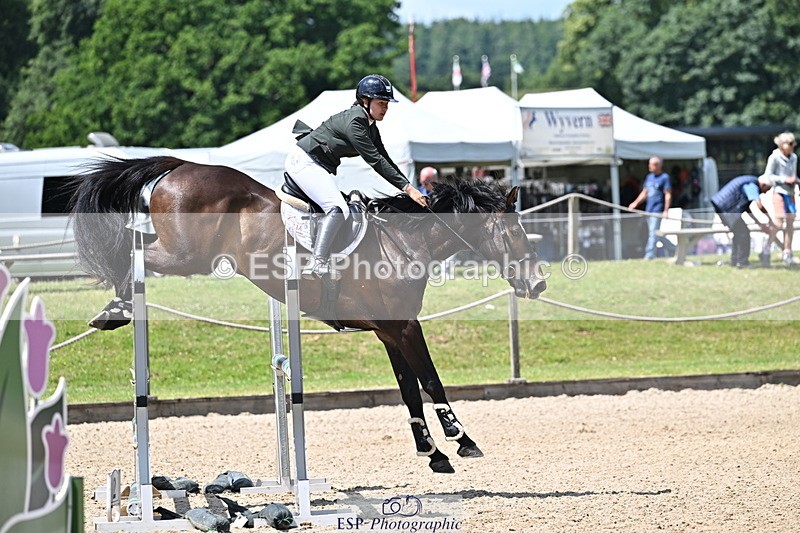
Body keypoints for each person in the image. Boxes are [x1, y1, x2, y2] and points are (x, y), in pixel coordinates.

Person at [285, 74, 427, 279]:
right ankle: (317, 262)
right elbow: (375, 161)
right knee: (338, 208)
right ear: (365, 101)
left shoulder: (369, 125)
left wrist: (408, 186)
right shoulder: (356, 122)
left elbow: (384, 158)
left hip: (314, 164)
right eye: (381, 103)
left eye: (386, 103)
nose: (385, 108)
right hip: (304, 162)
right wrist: (408, 189)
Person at [710, 175, 776, 268]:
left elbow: (747, 209)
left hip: (722, 206)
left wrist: (759, 224)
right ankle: (742, 263)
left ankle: (735, 261)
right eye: (767, 189)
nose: (765, 193)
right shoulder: (752, 185)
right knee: (743, 233)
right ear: (763, 184)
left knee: (738, 233)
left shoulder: (749, 183)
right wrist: (769, 218)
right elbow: (759, 205)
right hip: (726, 207)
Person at [762, 131, 797, 266]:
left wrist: (795, 180)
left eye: (793, 143)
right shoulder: (774, 157)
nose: (792, 146)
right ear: (782, 145)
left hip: (791, 193)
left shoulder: (794, 157)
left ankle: (787, 252)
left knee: (790, 222)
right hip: (779, 192)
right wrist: (784, 179)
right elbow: (768, 175)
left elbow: (793, 174)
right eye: (789, 143)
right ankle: (766, 249)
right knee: (778, 221)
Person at [628, 156, 672, 259]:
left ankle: (649, 255)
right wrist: (635, 203)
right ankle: (672, 248)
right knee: (656, 233)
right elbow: (644, 193)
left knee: (653, 233)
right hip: (649, 210)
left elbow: (668, 194)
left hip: (658, 210)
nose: (649, 166)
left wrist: (666, 210)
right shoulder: (649, 177)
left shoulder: (664, 177)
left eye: (651, 164)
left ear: (658, 165)